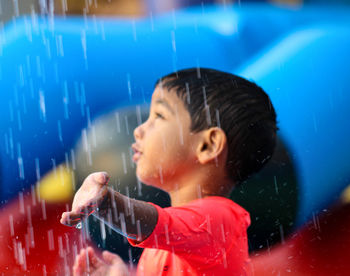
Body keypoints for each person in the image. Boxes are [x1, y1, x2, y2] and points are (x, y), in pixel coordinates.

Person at [60, 68, 278, 275]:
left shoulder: (220, 223)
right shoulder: (163, 243)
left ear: (208, 146)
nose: (138, 130)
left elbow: (161, 223)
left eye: (159, 116)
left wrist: (108, 204)